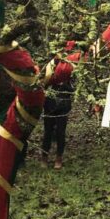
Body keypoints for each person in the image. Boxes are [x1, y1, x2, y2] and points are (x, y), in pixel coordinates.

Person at [41, 42, 77, 170]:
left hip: (63, 103)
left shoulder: (71, 65)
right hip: (49, 103)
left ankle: (58, 158)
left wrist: (64, 84)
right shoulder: (49, 64)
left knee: (61, 132)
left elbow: (74, 88)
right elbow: (42, 81)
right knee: (48, 131)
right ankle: (44, 157)